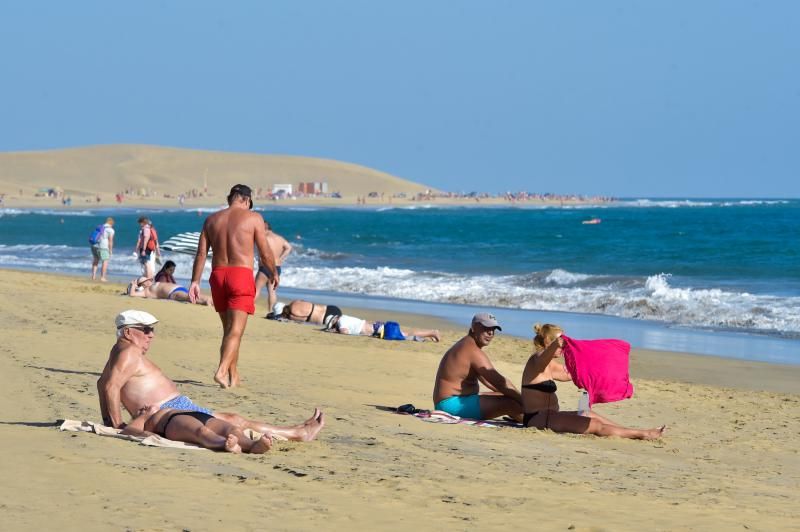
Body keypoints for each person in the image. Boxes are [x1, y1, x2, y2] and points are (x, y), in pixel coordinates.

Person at [98, 310, 325, 444]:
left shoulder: (118, 352)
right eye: (146, 330)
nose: (151, 335)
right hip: (168, 410)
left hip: (172, 407)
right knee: (234, 422)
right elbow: (110, 387)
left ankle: (296, 431)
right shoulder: (129, 352)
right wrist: (117, 425)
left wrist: (109, 421)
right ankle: (298, 433)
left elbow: (102, 384)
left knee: (232, 419)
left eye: (152, 330)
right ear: (128, 332)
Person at [189, 184, 278, 388]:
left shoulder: (211, 220)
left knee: (229, 330)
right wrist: (273, 272)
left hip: (218, 276)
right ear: (246, 200)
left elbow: (201, 254)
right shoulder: (253, 217)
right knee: (236, 331)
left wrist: (195, 281)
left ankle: (233, 376)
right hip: (241, 275)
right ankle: (221, 371)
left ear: (231, 198)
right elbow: (264, 252)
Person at [521, 323, 666, 440]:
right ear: (548, 341)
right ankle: (643, 434)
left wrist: (602, 365)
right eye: (561, 343)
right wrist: (556, 344)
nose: (563, 348)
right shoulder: (536, 361)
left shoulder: (551, 366)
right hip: (537, 419)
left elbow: (575, 373)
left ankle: (627, 431)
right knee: (594, 425)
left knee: (589, 414)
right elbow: (542, 357)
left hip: (552, 415)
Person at [432, 313, 522, 420]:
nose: (491, 332)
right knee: (510, 403)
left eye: (494, 329)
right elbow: (500, 382)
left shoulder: (466, 344)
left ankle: (523, 416)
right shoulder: (472, 350)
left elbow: (489, 382)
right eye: (486, 328)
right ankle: (534, 421)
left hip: (448, 402)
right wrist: (525, 402)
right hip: (451, 405)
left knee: (508, 396)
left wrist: (514, 396)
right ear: (474, 327)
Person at [121, 405, 272, 454]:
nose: (144, 407)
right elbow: (129, 431)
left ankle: (253, 445)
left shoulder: (161, 408)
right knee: (202, 433)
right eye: (140, 410)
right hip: (170, 422)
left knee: (233, 429)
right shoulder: (143, 418)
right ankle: (225, 444)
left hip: (193, 414)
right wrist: (143, 415)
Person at [256, 220, 293, 317]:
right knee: (272, 291)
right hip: (277, 267)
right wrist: (281, 258)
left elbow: (264, 252)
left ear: (264, 228)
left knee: (256, 289)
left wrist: (260, 259)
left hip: (266, 266)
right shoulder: (279, 238)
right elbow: (288, 247)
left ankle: (248, 309)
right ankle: (270, 312)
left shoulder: (265, 238)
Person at [325, 313, 440, 342]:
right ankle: (429, 334)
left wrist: (335, 332)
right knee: (405, 334)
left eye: (333, 325)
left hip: (380, 330)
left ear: (335, 321)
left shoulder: (341, 322)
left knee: (406, 334)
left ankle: (432, 332)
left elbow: (345, 332)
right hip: (379, 327)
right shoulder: (345, 317)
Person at [125, 276, 212, 305]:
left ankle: (212, 301)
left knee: (193, 295)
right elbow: (132, 294)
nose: (148, 280)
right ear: (142, 285)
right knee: (192, 297)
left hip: (179, 288)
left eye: (148, 279)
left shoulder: (152, 284)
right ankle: (209, 301)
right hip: (173, 294)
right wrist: (134, 284)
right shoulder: (146, 292)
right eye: (144, 280)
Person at [275, 299, 343, 325]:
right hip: (331, 308)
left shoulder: (291, 316)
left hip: (326, 318)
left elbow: (303, 320)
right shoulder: (295, 302)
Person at [91, 217, 115, 282]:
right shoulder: (110, 230)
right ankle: (102, 277)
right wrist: (110, 250)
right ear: (112, 223)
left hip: (94, 245)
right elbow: (110, 241)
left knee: (95, 260)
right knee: (105, 261)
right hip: (103, 247)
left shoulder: (100, 227)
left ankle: (93, 276)